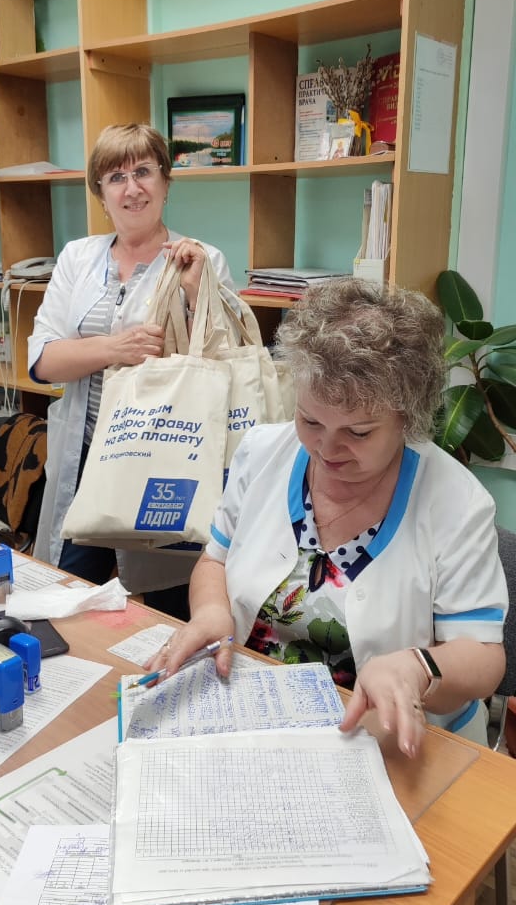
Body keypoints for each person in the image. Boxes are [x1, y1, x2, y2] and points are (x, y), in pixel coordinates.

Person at [148, 277, 507, 756]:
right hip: (262, 717)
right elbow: (216, 560)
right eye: (311, 421)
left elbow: (484, 656)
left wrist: (418, 668)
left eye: (358, 433)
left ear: (408, 418)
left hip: (398, 743)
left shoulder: (456, 502)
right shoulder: (262, 452)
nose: (327, 448)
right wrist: (213, 613)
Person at [27, 122, 238, 612]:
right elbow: (43, 362)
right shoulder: (77, 257)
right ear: (101, 193)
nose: (132, 188)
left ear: (165, 182)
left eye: (143, 171)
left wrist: (195, 292)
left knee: (170, 601)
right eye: (116, 177)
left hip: (166, 458)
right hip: (85, 459)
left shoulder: (202, 259)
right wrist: (114, 348)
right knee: (68, 596)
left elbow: (223, 366)